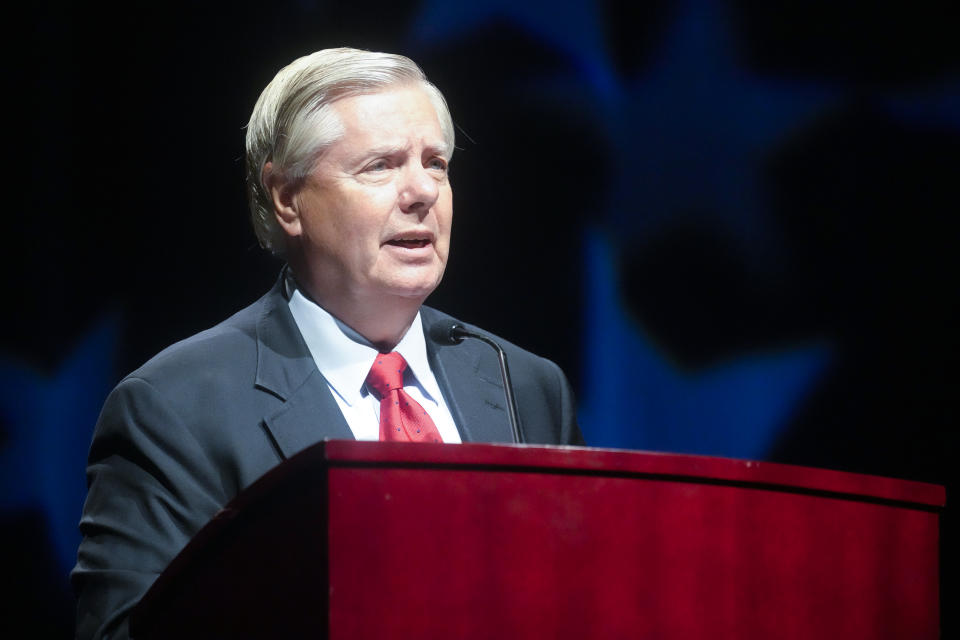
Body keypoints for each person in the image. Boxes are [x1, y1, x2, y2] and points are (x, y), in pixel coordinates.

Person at [71, 48, 583, 639]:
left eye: (436, 164)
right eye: (380, 166)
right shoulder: (175, 408)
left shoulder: (524, 385)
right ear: (287, 199)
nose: (422, 192)